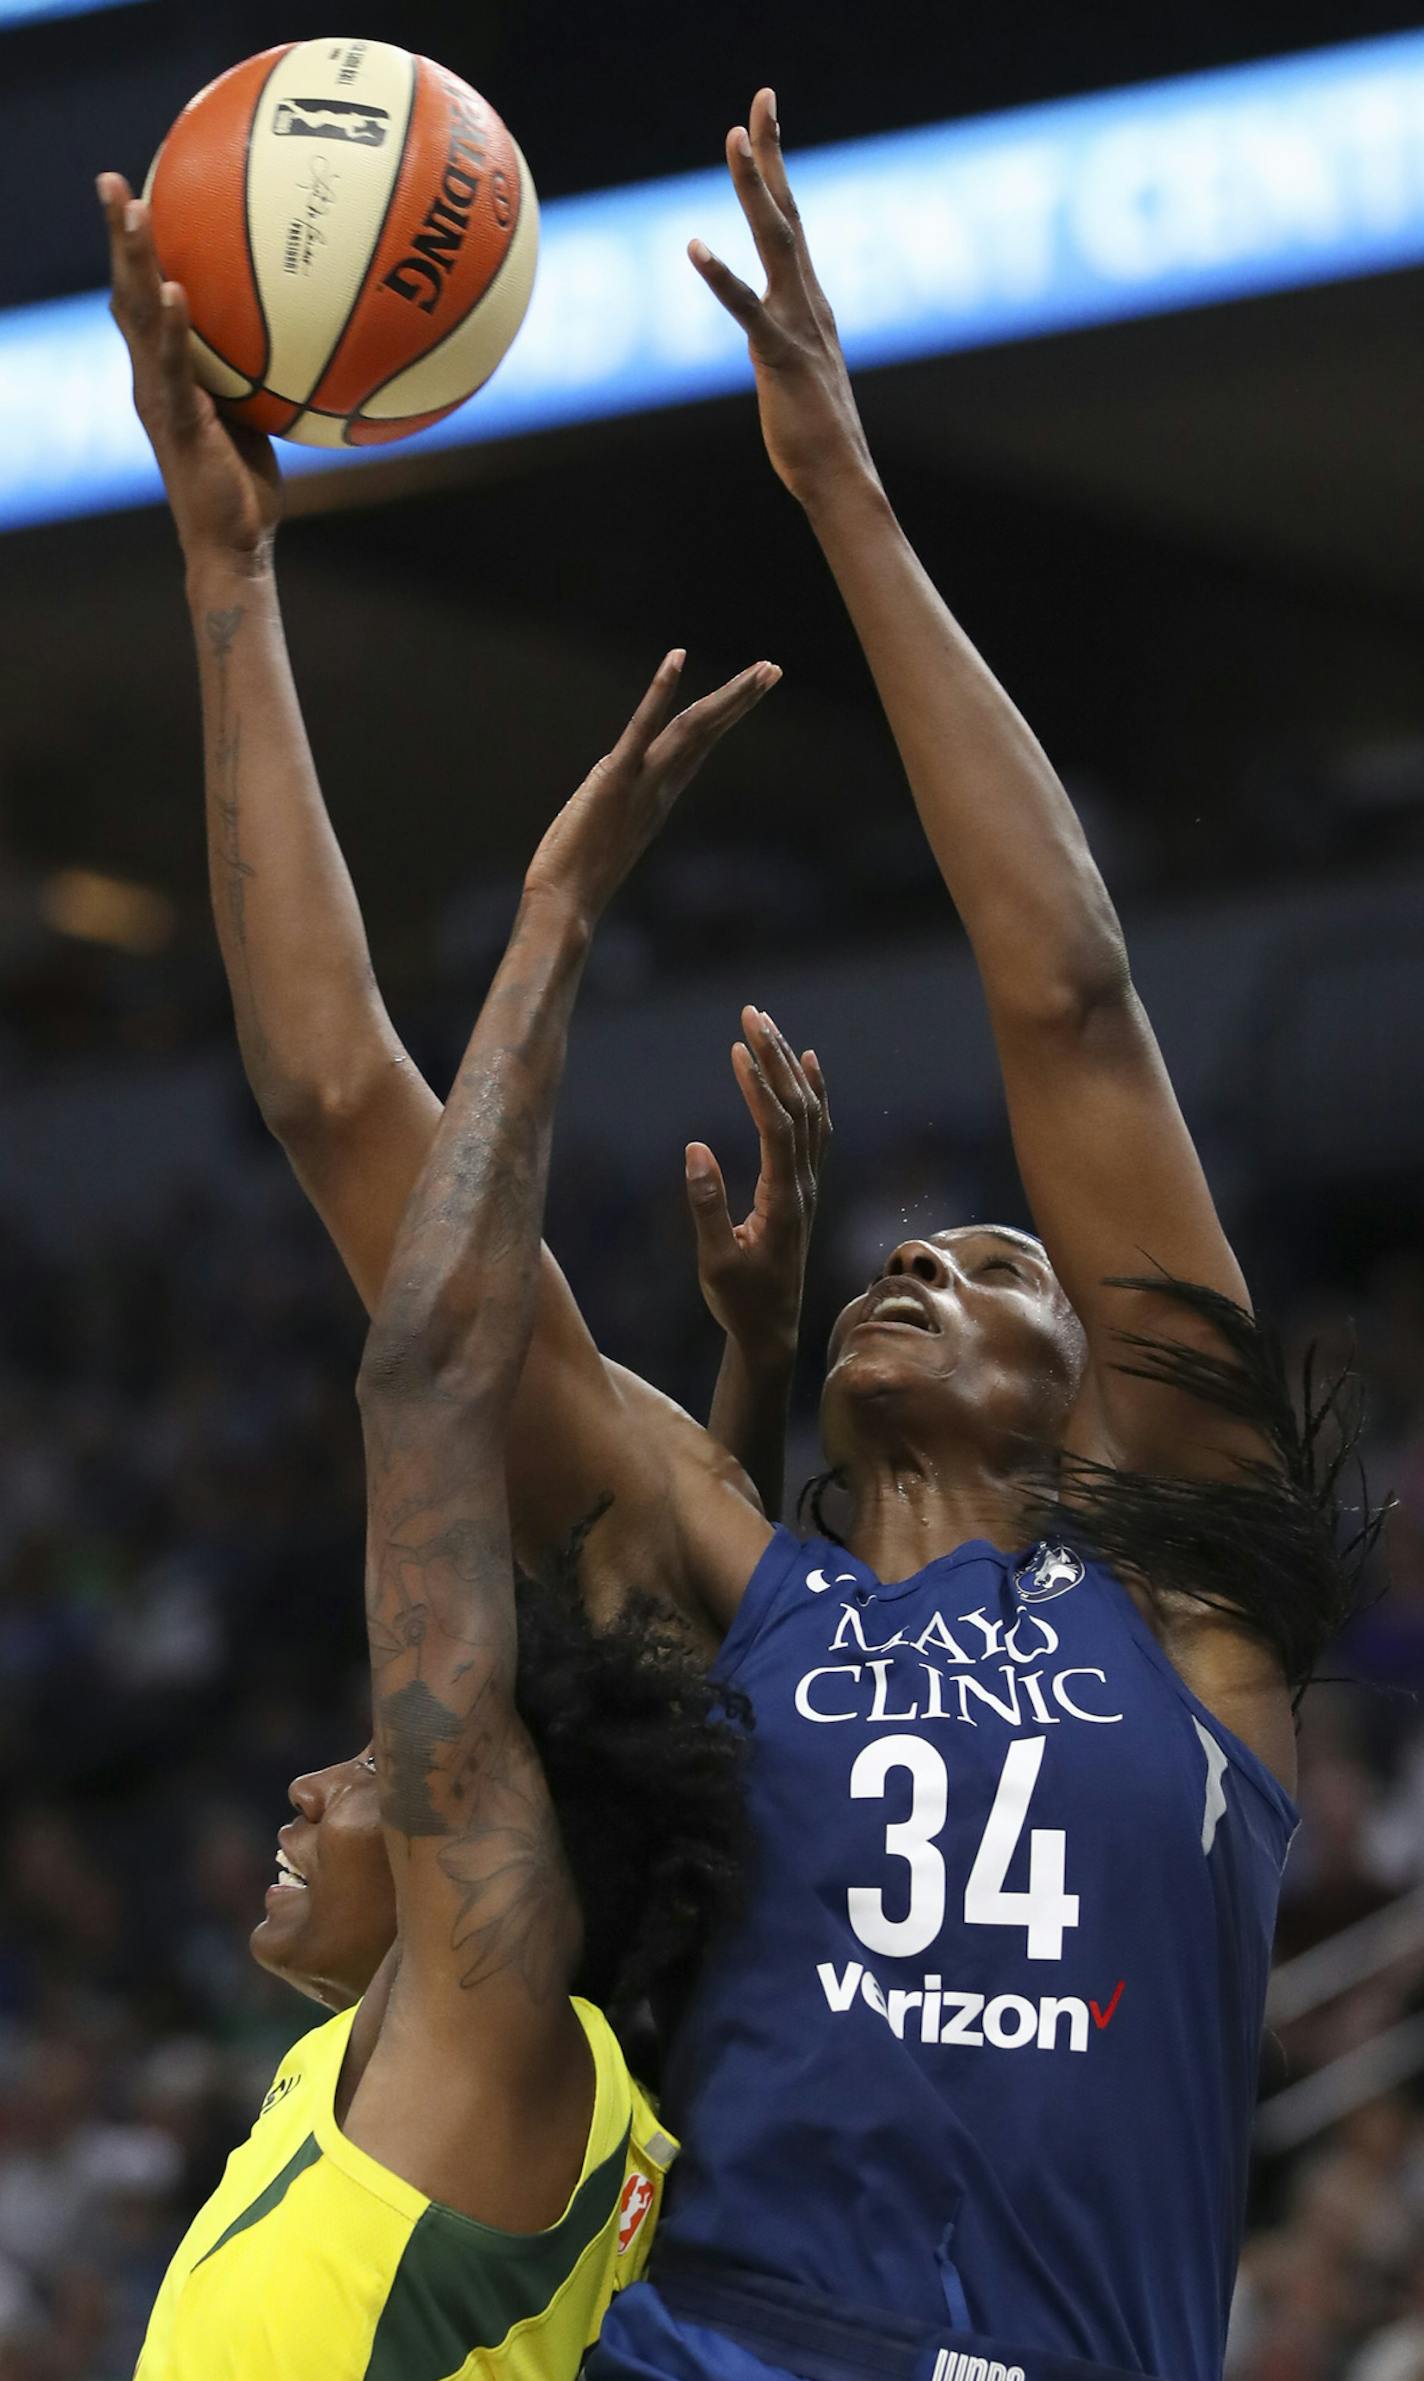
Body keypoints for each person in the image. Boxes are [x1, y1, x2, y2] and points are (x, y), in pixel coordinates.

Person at [135, 649, 779, 2380]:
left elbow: (426, 1383)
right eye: (375, 1764)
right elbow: (681, 1685)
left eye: (386, 1766)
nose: (329, 1778)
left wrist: (556, 920)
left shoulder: (496, 2044)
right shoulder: (391, 2061)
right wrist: (752, 1396)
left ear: (504, 1826)